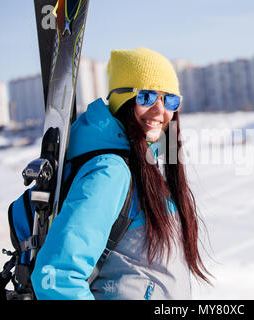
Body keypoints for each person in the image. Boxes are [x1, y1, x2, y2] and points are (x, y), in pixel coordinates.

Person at [30, 47, 210, 300]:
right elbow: (57, 276)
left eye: (170, 100)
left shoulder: (144, 166)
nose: (161, 111)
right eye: (146, 97)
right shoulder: (110, 172)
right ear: (122, 101)